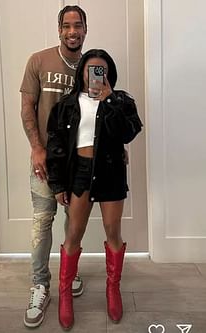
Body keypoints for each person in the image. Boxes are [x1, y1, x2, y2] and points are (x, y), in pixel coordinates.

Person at [46, 49, 142, 329]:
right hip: (80, 172)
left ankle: (113, 289)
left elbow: (128, 133)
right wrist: (57, 183)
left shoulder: (121, 100)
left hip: (110, 170)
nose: (95, 74)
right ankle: (65, 295)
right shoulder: (67, 104)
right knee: (74, 233)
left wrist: (109, 99)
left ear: (108, 73)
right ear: (82, 73)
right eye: (90, 69)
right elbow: (57, 146)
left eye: (101, 69)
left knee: (113, 231)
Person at [19, 5, 87, 328]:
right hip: (45, 160)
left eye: (78, 26)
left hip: (79, 162)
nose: (72, 31)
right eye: (67, 26)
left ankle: (67, 274)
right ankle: (41, 285)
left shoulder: (93, 65)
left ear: (85, 30)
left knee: (74, 223)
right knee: (42, 222)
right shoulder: (38, 60)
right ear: (59, 30)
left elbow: (102, 112)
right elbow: (27, 107)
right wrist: (36, 147)